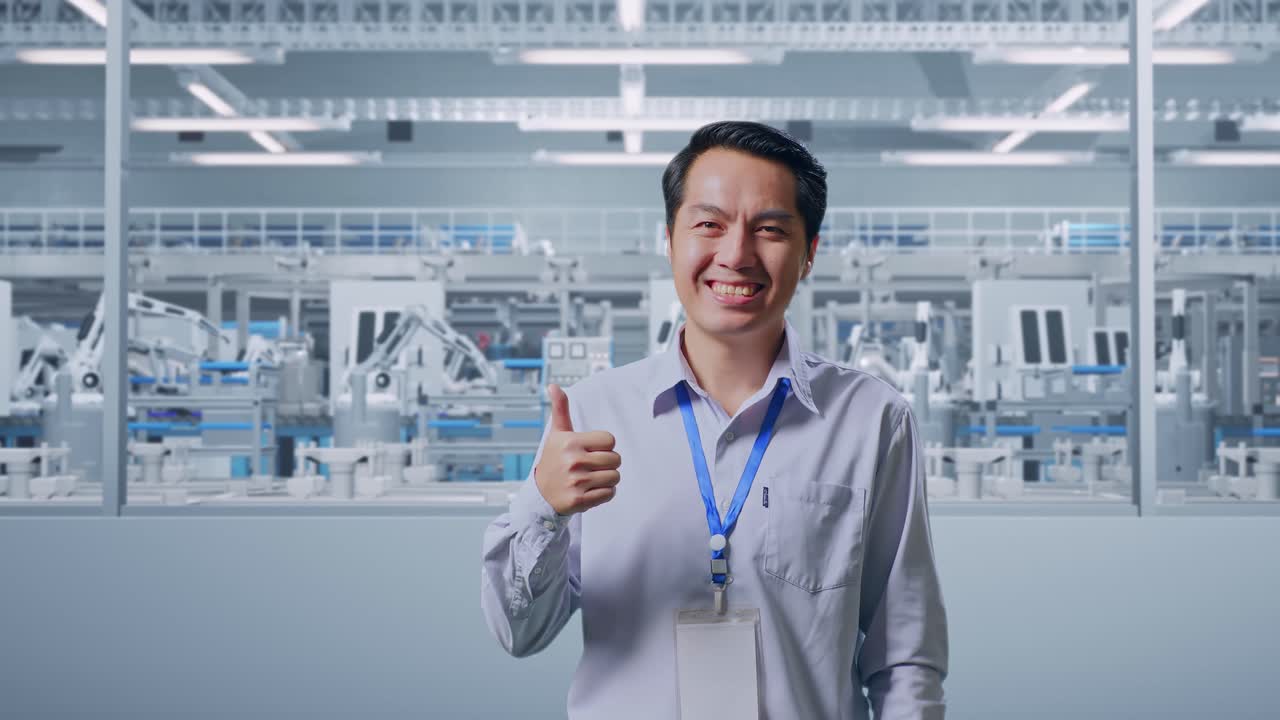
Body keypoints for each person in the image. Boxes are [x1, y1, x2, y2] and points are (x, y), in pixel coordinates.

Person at [481, 121, 948, 719]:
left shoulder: (872, 421)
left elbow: (906, 656)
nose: (736, 254)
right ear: (669, 241)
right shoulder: (594, 415)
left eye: (770, 230)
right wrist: (543, 508)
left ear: (809, 253)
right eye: (709, 224)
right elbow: (519, 632)